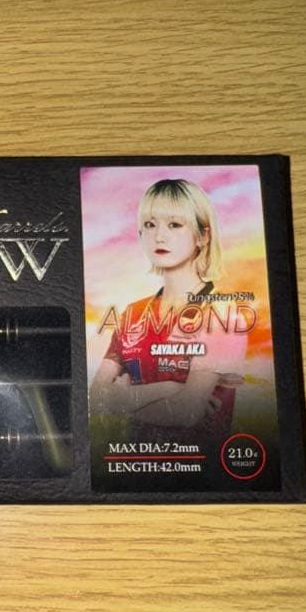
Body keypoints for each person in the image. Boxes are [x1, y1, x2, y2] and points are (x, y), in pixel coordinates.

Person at [89, 178, 246, 437]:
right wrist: (170, 388)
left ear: (203, 236)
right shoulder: (132, 314)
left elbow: (186, 413)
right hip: (132, 460)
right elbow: (95, 400)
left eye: (174, 224)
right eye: (150, 225)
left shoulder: (222, 314)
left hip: (199, 460)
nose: (159, 236)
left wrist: (123, 399)